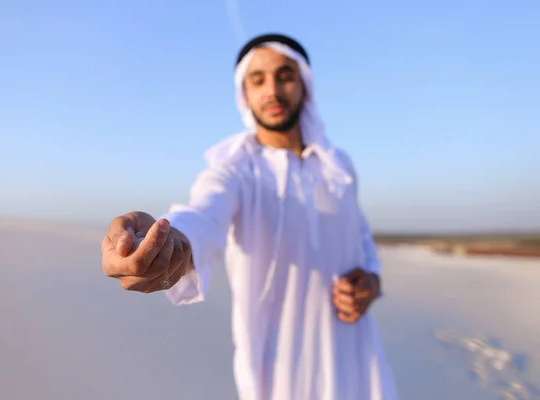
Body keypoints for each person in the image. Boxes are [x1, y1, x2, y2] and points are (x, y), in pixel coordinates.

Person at [101, 33, 398, 400]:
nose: (272, 90)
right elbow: (203, 216)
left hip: (355, 360)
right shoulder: (235, 170)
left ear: (305, 85)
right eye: (257, 80)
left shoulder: (339, 167)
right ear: (244, 93)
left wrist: (371, 283)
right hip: (279, 375)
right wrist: (169, 242)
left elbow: (362, 241)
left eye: (285, 75)